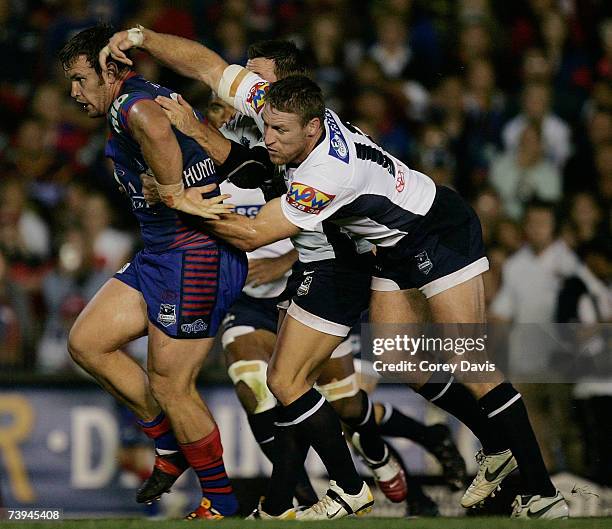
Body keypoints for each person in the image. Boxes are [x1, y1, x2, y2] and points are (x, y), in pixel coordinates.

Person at [101, 27, 568, 520]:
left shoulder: (325, 173)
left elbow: (254, 235)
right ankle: (489, 445)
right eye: (270, 128)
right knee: (399, 362)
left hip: (437, 231)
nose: (269, 138)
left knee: (467, 361)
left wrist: (180, 200)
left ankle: (541, 491)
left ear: (309, 129)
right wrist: (142, 37)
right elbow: (207, 67)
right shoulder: (282, 111)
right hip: (386, 246)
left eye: (280, 133)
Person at [59, 25, 248, 520]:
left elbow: (154, 127)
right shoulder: (132, 101)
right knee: (87, 342)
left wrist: (171, 192)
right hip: (162, 253)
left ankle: (221, 501)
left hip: (194, 254)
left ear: (113, 70)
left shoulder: (130, 104)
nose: (75, 93)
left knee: (171, 385)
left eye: (81, 80)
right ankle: (169, 447)